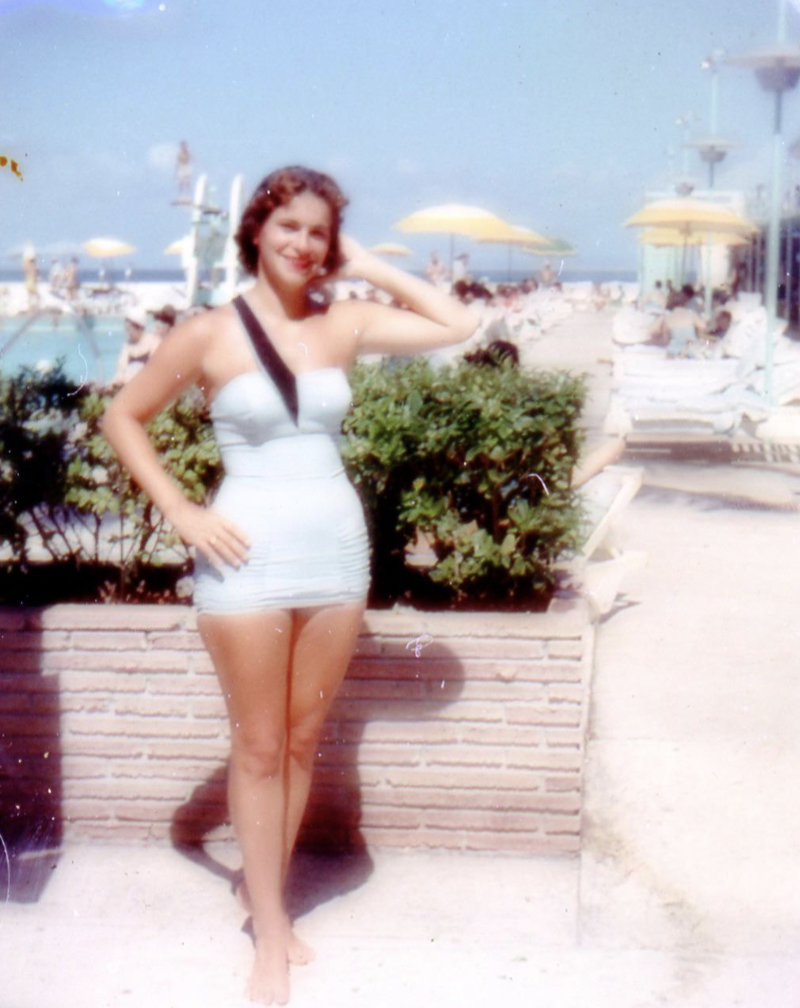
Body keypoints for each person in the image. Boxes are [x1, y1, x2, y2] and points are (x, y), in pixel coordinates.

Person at [101, 165, 476, 1006]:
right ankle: (269, 933)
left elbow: (460, 320)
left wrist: (366, 262)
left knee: (303, 742)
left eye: (319, 232)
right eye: (290, 228)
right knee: (260, 747)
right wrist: (182, 512)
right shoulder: (209, 331)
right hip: (245, 554)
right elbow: (124, 416)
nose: (304, 245)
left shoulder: (344, 321)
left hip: (336, 550)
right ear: (255, 233)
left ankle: (261, 891)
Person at [111, 305, 164, 386]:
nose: (127, 331)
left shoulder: (153, 342)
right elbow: (121, 370)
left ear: (138, 326)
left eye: (129, 328)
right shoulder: (127, 346)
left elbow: (156, 370)